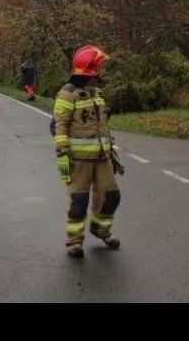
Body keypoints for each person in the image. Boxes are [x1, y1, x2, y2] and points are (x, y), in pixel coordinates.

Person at [53, 45, 121, 258]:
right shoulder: (67, 94)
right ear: (91, 70)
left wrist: (110, 150)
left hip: (102, 158)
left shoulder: (96, 93)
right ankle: (75, 242)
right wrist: (62, 153)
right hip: (78, 160)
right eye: (98, 67)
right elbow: (59, 125)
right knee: (78, 201)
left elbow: (102, 125)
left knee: (111, 196)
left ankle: (101, 230)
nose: (100, 72)